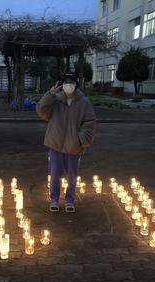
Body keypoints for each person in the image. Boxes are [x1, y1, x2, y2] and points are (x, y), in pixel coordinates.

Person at [36, 73, 96, 213]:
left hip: (73, 146)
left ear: (76, 84)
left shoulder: (83, 102)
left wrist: (80, 139)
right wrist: (49, 95)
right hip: (56, 144)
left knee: (72, 175)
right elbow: (41, 110)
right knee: (55, 174)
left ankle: (70, 200)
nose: (69, 85)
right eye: (66, 82)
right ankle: (54, 199)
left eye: (71, 82)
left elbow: (90, 122)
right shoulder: (55, 100)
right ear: (62, 84)